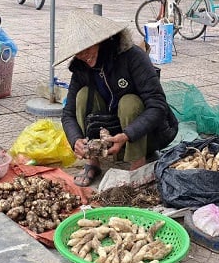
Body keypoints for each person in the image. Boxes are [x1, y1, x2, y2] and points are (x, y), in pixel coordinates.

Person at [57, 10, 179, 186]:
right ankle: (93, 161)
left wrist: (127, 135)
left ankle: (138, 163)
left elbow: (158, 106)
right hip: (111, 136)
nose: (84, 55)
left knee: (129, 101)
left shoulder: (133, 57)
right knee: (83, 96)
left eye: (88, 48)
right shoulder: (80, 68)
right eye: (78, 52)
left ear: (101, 41)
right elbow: (67, 114)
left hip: (145, 135)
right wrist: (75, 139)